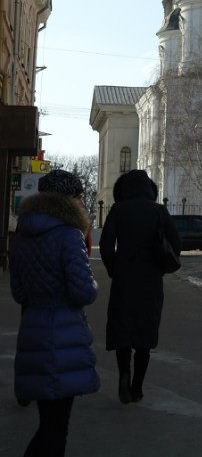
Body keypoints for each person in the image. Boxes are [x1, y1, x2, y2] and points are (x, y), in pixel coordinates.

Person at [10, 168, 100, 457]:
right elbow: (83, 292)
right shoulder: (69, 235)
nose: (81, 201)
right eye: (78, 196)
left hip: (33, 330)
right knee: (56, 428)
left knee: (48, 422)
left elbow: (18, 293)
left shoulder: (22, 233)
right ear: (69, 199)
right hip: (64, 335)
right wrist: (93, 283)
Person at [99, 169, 181, 404]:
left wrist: (114, 269)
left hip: (124, 280)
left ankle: (124, 376)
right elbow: (176, 244)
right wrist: (160, 268)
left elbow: (106, 245)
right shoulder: (159, 211)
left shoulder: (118, 210)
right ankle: (137, 387)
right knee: (145, 333)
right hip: (150, 280)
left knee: (123, 330)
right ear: (149, 189)